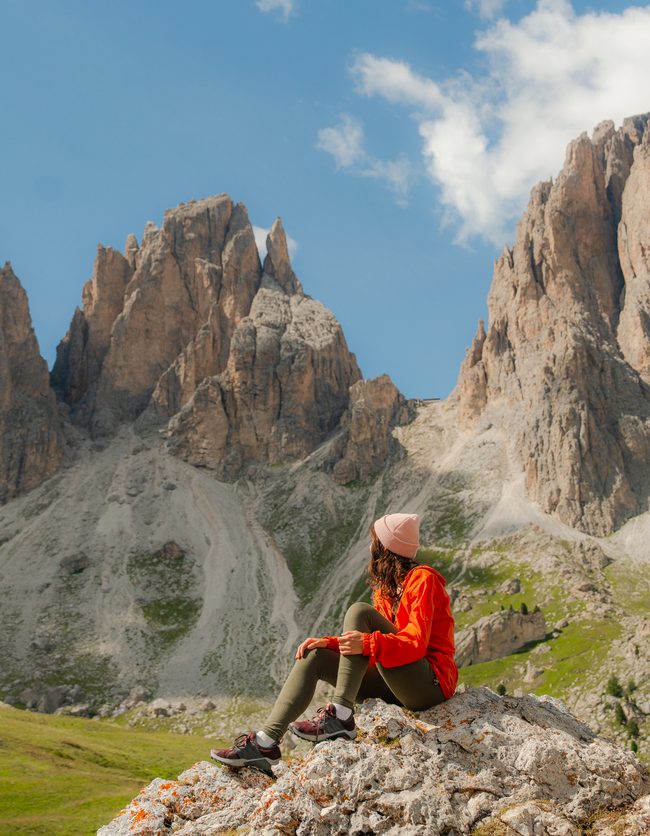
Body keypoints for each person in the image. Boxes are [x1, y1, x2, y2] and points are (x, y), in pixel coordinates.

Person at [210, 512, 457, 774]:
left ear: (385, 547)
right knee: (315, 656)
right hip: (396, 685)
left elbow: (414, 644)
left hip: (430, 685)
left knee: (359, 612)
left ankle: (340, 715)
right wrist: (330, 644)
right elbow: (372, 649)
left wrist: (366, 643)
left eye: (374, 540)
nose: (369, 547)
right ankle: (265, 745)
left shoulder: (423, 579)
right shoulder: (385, 591)